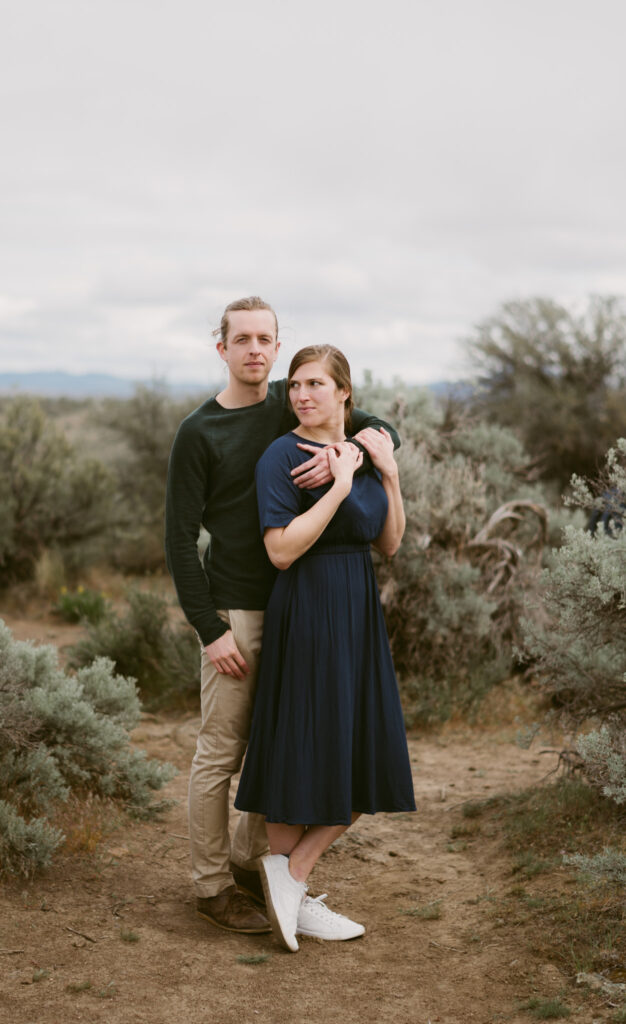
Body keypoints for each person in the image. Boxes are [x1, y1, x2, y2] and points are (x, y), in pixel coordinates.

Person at [165, 298, 400, 936]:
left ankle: (258, 868)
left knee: (276, 746)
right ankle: (213, 887)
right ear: (222, 349)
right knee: (222, 751)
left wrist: (347, 453)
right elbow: (179, 540)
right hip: (237, 609)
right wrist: (209, 630)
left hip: (299, 610)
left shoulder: (288, 403)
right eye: (241, 340)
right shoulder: (200, 431)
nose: (255, 351)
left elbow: (378, 426)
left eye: (266, 339)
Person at [235, 344, 416, 952]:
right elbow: (282, 550)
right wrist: (338, 488)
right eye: (295, 385)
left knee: (364, 747)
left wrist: (383, 472)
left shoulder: (365, 448)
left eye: (316, 383)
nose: (303, 395)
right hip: (307, 608)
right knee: (299, 744)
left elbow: (389, 543)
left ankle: (291, 877)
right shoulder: (280, 456)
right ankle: (296, 890)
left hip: (357, 607)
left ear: (344, 392)